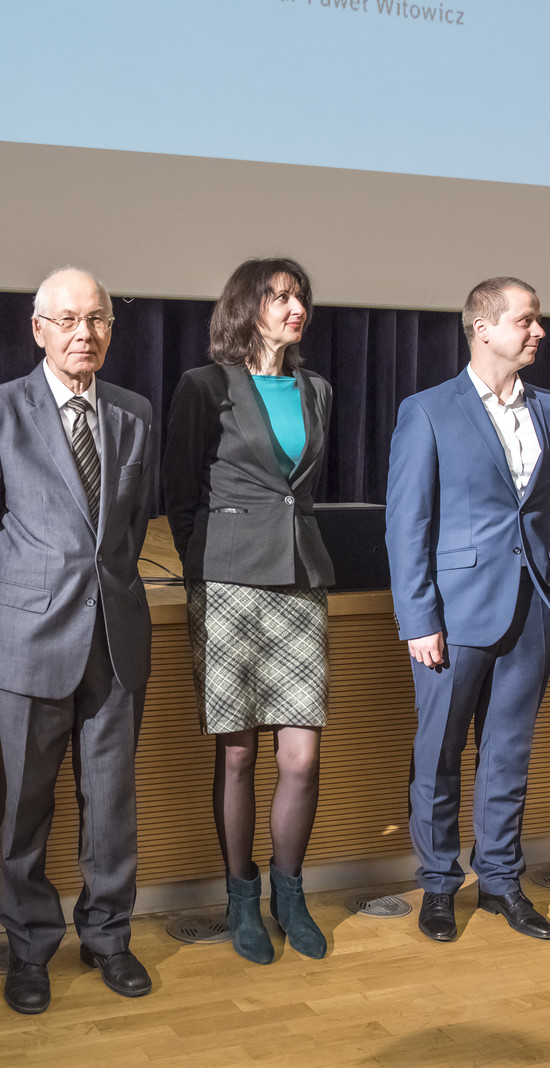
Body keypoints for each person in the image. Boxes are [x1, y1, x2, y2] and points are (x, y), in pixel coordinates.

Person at [0, 267, 157, 1015]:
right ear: (38, 330)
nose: (84, 334)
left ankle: (108, 936)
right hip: (28, 638)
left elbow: (128, 531)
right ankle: (29, 946)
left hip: (116, 637)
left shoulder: (134, 412)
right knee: (24, 805)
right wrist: (6, 624)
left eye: (96, 319)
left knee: (112, 803)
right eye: (67, 320)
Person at [385, 276, 550, 943]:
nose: (539, 331)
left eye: (538, 319)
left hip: (533, 609)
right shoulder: (427, 410)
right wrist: (419, 619)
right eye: (526, 320)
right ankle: (439, 885)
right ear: (483, 328)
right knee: (439, 755)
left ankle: (501, 881)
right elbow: (406, 525)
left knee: (508, 754)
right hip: (453, 616)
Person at [164, 257, 336, 964]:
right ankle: (241, 895)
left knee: (301, 757)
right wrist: (206, 565)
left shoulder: (317, 389)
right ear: (247, 307)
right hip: (228, 583)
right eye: (279, 297)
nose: (295, 309)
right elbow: (180, 495)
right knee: (237, 754)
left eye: (300, 298)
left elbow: (304, 490)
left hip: (299, 579)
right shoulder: (205, 386)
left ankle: (288, 892)